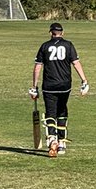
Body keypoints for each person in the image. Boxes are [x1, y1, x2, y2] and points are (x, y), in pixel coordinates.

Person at [30, 22, 90, 158]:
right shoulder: (68, 45)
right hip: (65, 85)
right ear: (62, 33)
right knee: (62, 111)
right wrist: (84, 80)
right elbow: (76, 63)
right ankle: (62, 142)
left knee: (51, 112)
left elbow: (37, 67)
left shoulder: (44, 46)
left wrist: (34, 87)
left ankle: (52, 139)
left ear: (50, 33)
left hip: (49, 85)